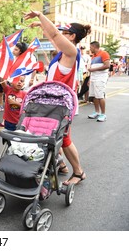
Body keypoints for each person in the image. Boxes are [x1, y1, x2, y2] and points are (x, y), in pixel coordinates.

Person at [25, 10, 91, 185]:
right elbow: (52, 36)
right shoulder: (63, 52)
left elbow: (54, 34)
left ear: (72, 36)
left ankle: (78, 172)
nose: (61, 35)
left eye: (65, 33)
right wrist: (41, 26)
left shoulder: (71, 51)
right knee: (52, 134)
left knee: (65, 139)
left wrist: (40, 15)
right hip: (51, 101)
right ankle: (61, 165)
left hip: (62, 104)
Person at [88, 41, 110, 122]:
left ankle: (103, 114)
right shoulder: (93, 56)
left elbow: (107, 65)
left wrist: (93, 69)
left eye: (90, 47)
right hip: (93, 78)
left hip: (100, 78)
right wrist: (90, 79)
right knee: (94, 96)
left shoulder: (104, 53)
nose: (90, 49)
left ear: (94, 47)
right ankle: (97, 112)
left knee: (100, 96)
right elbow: (93, 69)